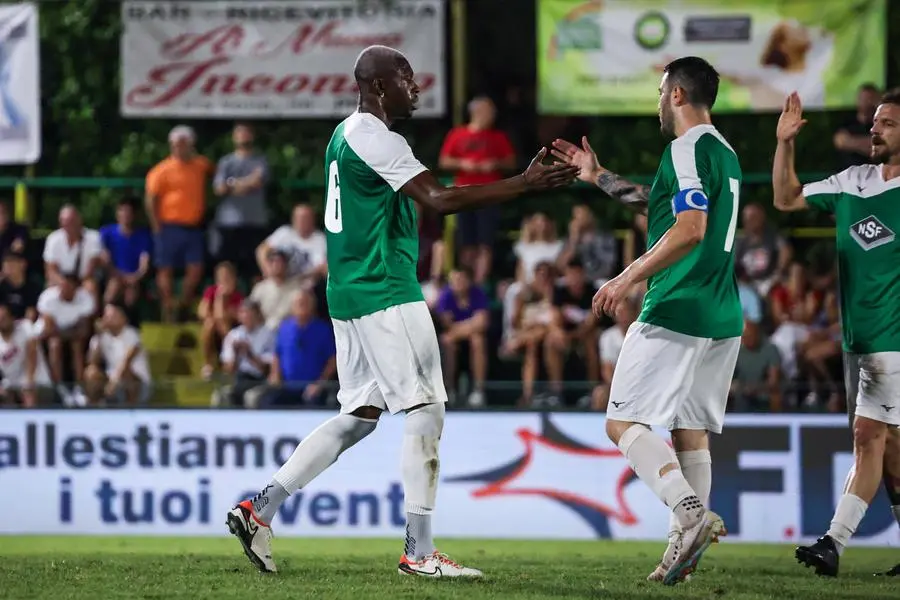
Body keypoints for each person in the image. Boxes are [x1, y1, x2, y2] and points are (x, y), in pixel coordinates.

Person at [226, 44, 577, 577]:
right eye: (405, 78)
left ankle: (261, 508)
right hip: (385, 290)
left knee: (359, 417)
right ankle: (418, 551)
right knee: (427, 408)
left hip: (348, 293)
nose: (415, 88)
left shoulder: (343, 134)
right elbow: (439, 199)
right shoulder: (375, 136)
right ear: (376, 85)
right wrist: (523, 185)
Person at [552, 56, 740, 585]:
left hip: (677, 305)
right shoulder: (722, 151)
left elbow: (689, 227)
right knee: (690, 431)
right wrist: (598, 176)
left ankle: (688, 512)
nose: (659, 101)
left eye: (662, 91)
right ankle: (685, 551)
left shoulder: (685, 147)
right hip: (722, 313)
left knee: (621, 422)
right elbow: (656, 205)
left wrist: (626, 277)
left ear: (677, 94)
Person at [774, 89, 900, 577]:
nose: (874, 128)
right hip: (858, 343)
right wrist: (785, 144)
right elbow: (785, 199)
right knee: (888, 447)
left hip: (893, 340)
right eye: (875, 122)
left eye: (887, 123)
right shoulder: (854, 181)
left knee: (867, 435)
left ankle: (833, 542)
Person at [438, 96, 515, 284]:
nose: (492, 116)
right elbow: (444, 161)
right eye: (489, 111)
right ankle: (466, 281)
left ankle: (480, 283)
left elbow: (511, 162)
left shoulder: (498, 137)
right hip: (464, 194)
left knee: (485, 242)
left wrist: (494, 164)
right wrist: (464, 163)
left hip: (489, 194)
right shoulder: (458, 134)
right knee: (466, 242)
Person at [145, 125, 213, 322]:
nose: (179, 148)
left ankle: (183, 303)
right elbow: (151, 199)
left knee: (196, 268)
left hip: (193, 226)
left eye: (183, 144)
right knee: (165, 268)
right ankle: (167, 308)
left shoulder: (201, 164)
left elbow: (214, 174)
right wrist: (156, 224)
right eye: (176, 144)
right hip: (168, 225)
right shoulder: (161, 170)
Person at [213, 123, 271, 275]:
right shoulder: (226, 162)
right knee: (227, 266)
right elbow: (219, 189)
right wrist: (247, 182)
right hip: (228, 222)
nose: (243, 137)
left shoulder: (260, 160)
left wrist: (232, 183)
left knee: (254, 268)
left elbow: (258, 181)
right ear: (234, 137)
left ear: (252, 136)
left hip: (255, 221)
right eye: (240, 133)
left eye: (246, 133)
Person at [435, 267, 489, 407]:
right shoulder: (446, 296)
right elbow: (447, 325)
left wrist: (460, 329)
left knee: (477, 340)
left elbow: (482, 322)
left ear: (468, 280)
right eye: (454, 280)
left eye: (460, 279)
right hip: (454, 340)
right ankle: (450, 389)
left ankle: (478, 390)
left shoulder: (477, 294)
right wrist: (471, 325)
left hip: (470, 337)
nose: (457, 283)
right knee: (447, 342)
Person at [84, 303, 152, 405]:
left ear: (123, 319)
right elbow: (92, 361)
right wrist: (98, 336)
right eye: (106, 316)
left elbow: (126, 361)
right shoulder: (101, 336)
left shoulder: (132, 334)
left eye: (112, 316)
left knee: (127, 374)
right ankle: (92, 407)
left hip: (138, 383)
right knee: (91, 372)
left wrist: (114, 382)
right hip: (112, 380)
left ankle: (131, 409)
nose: (108, 319)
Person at [99, 197, 152, 314]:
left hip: (134, 279)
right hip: (114, 277)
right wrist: (120, 277)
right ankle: (105, 319)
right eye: (122, 211)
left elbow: (144, 264)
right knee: (113, 289)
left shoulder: (143, 236)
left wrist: (135, 277)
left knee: (131, 295)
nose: (125, 215)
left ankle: (129, 325)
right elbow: (105, 260)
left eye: (129, 212)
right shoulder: (106, 233)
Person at [0, 303, 51, 407]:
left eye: (4, 318)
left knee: (28, 393)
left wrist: (29, 380)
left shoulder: (25, 326)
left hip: (38, 382)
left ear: (12, 317)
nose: (1, 321)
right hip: (12, 386)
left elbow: (32, 352)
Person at [833, 83, 880, 169]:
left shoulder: (881, 124)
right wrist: (868, 143)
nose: (866, 102)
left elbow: (880, 148)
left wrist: (850, 142)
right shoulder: (847, 122)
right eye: (863, 98)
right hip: (847, 176)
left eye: (870, 99)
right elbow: (840, 142)